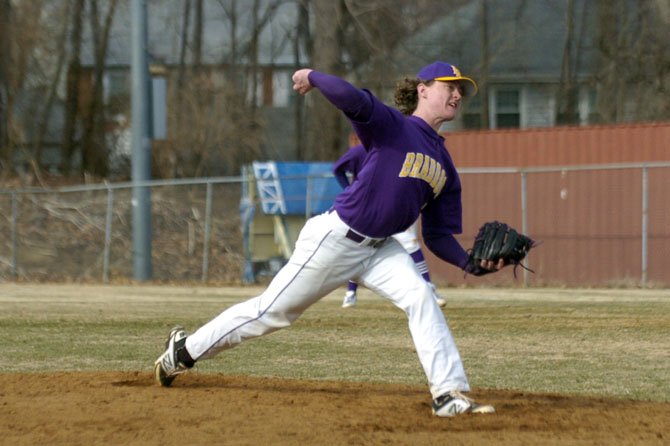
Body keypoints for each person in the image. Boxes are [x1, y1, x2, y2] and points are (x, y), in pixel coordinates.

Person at [154, 61, 506, 417]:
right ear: (423, 89)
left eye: (462, 89)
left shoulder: (444, 164)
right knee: (271, 313)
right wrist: (313, 78)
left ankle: (446, 394)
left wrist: (469, 263)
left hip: (382, 248)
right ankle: (183, 352)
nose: (458, 94)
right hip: (337, 238)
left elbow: (437, 234)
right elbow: (351, 99)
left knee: (421, 297)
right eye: (450, 86)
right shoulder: (393, 127)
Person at [333, 143, 447, 308]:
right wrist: (349, 189)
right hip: (366, 209)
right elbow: (338, 169)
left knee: (410, 243)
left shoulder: (395, 148)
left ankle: (429, 287)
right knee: (357, 247)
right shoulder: (360, 151)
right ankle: (351, 293)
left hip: (392, 207)